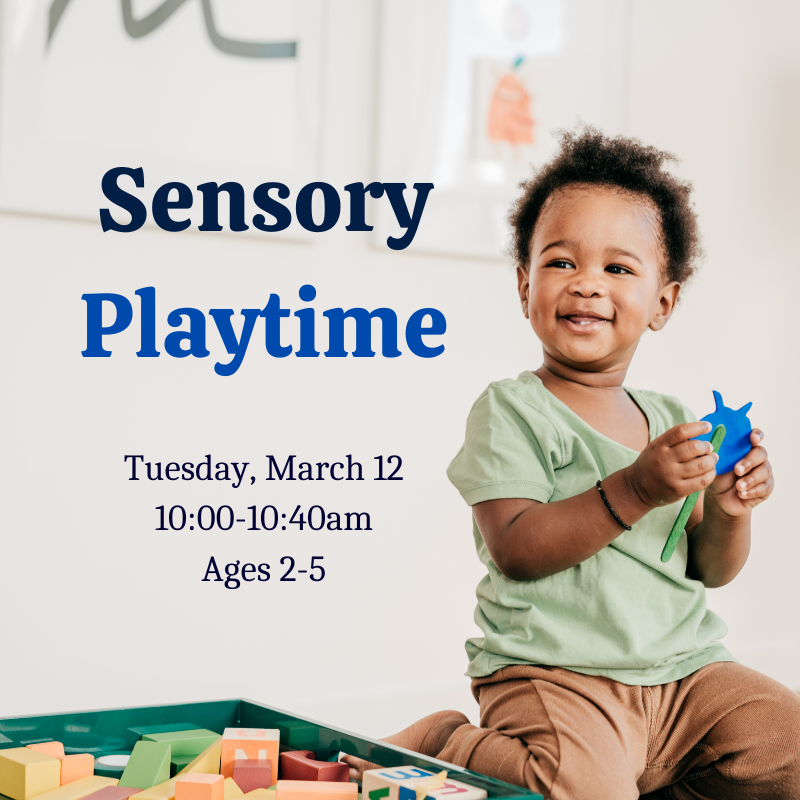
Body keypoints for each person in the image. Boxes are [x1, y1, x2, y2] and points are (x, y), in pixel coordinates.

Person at [343, 127, 800, 799]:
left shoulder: (674, 419)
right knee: (580, 787)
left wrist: (732, 510)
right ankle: (452, 742)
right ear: (525, 286)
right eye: (561, 263)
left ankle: (652, 777)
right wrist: (637, 486)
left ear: (662, 304)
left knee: (788, 748)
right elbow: (518, 549)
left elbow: (708, 567)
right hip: (557, 675)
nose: (586, 283)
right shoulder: (511, 411)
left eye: (618, 269)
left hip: (683, 676)